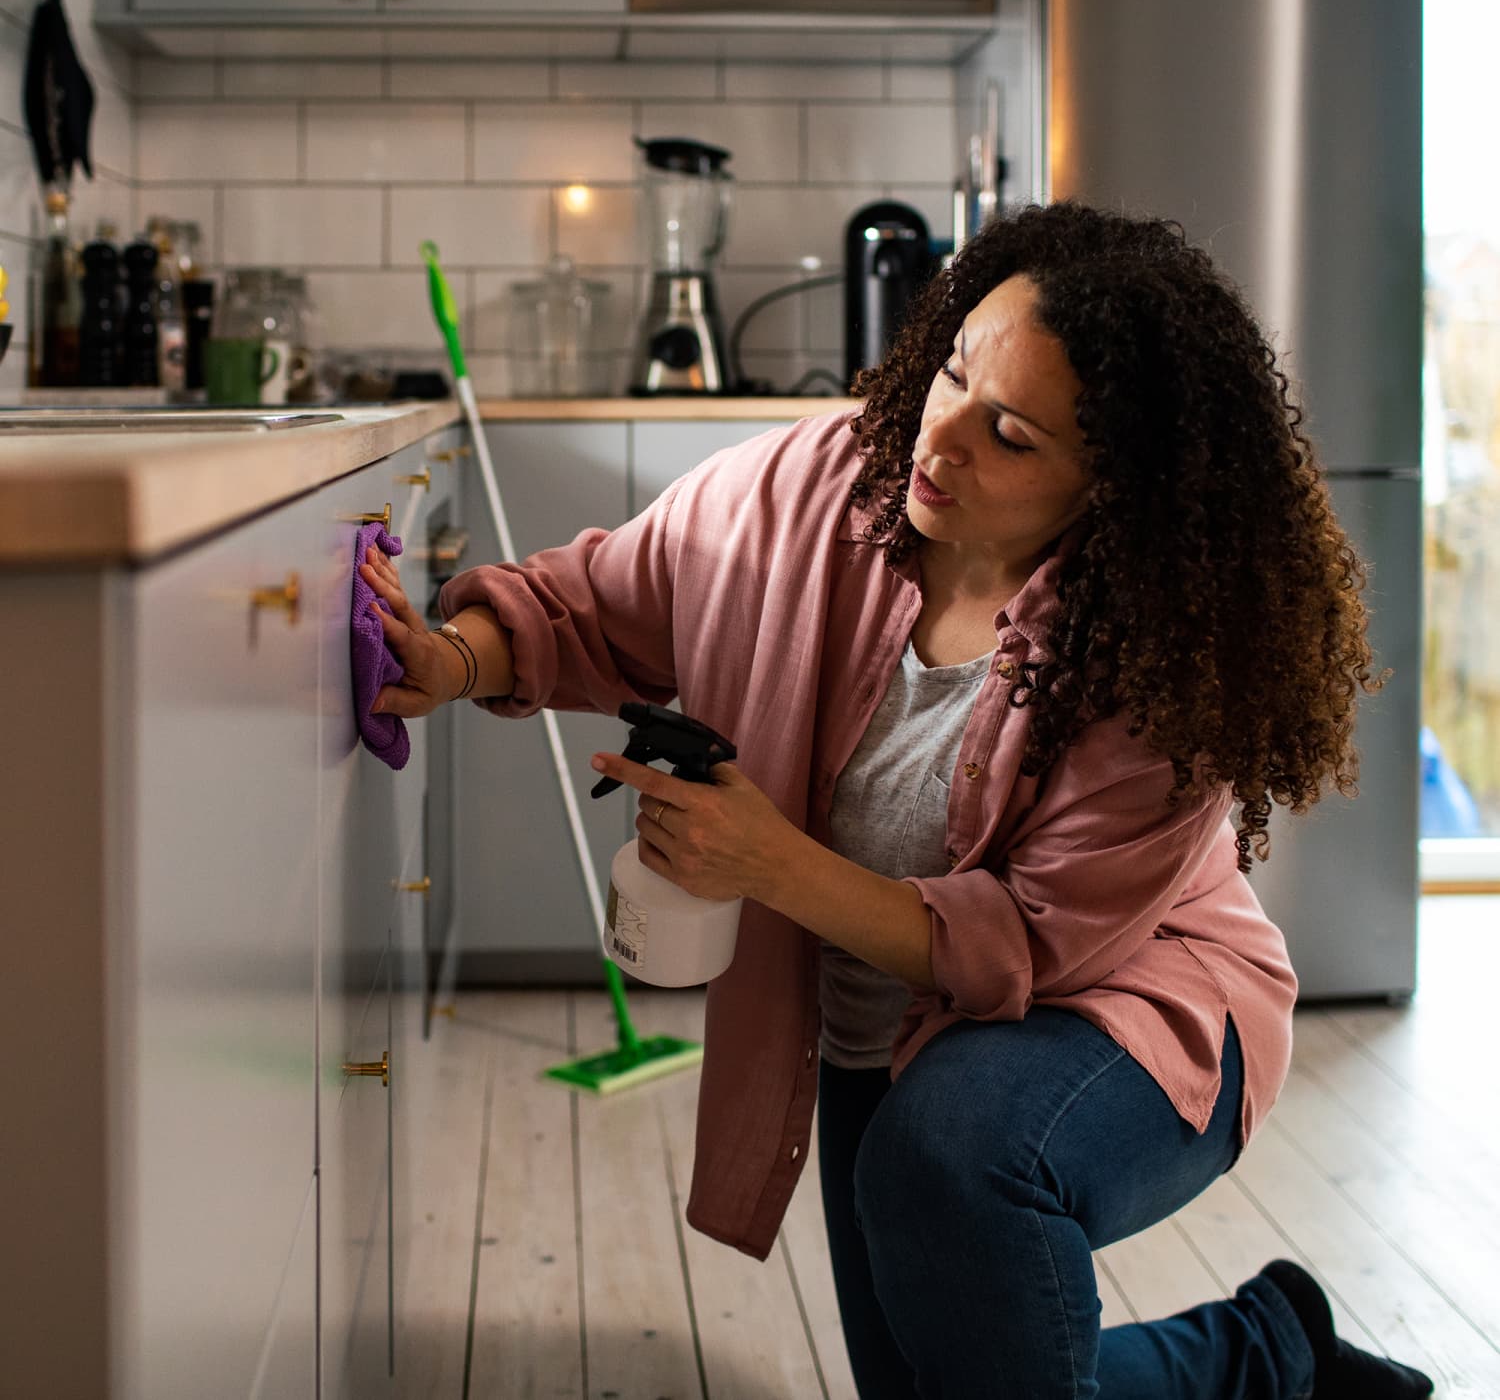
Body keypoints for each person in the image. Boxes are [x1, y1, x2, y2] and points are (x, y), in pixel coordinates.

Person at [361, 202, 1434, 1400]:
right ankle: (1265, 1351)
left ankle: (1257, 1349)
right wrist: (450, 660)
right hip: (896, 1034)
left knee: (947, 1163)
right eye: (954, 372)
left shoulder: (1158, 656)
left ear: (1109, 487)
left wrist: (768, 863)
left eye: (1011, 434)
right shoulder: (811, 491)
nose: (942, 438)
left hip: (1137, 1006)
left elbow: (1028, 942)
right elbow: (596, 604)